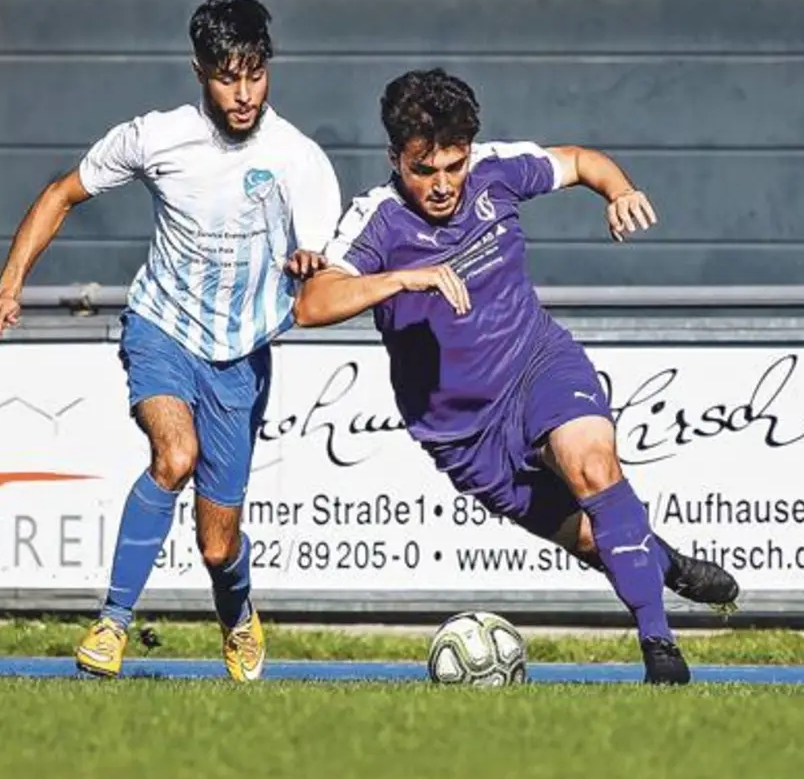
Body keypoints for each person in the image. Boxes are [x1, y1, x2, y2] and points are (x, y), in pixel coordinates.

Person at [293, 68, 739, 684]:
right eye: (425, 171)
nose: (444, 184)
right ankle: (665, 564)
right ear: (396, 159)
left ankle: (659, 649)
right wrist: (400, 278)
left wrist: (619, 191)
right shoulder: (379, 220)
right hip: (463, 435)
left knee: (594, 467)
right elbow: (312, 304)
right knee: (592, 539)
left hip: (537, 364)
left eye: (454, 166)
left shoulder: (499, 171)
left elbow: (582, 161)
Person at [0, 0, 342, 681]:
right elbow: (60, 193)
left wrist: (309, 259)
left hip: (240, 356)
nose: (243, 94)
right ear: (198, 71)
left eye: (255, 74)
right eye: (227, 76)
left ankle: (236, 619)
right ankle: (112, 625)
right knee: (173, 456)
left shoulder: (299, 159)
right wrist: (9, 283)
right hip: (162, 329)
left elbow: (323, 259)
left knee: (216, 545)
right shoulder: (155, 137)